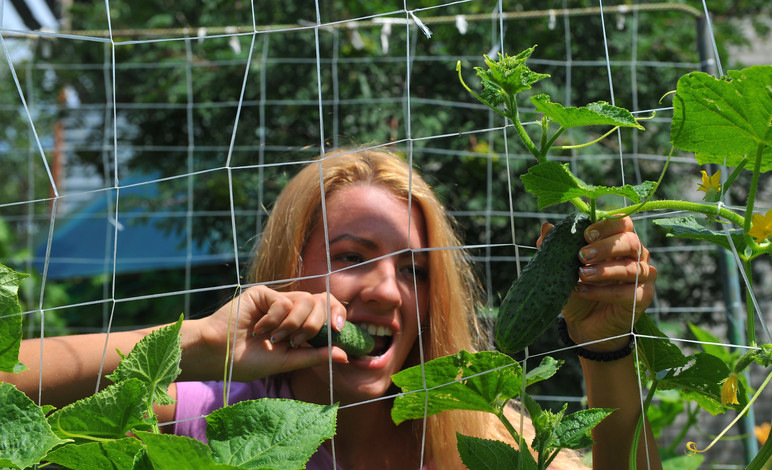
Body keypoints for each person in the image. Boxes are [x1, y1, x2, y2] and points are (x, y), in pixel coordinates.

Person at [2, 148, 660, 469]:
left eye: (414, 269)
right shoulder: (206, 419)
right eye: (351, 257)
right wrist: (197, 344)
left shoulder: (485, 439)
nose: (385, 288)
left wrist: (607, 349)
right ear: (290, 272)